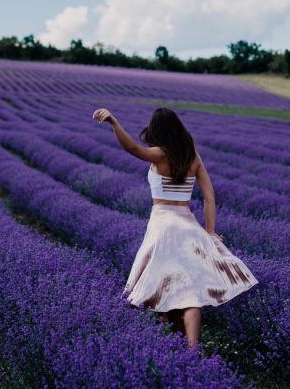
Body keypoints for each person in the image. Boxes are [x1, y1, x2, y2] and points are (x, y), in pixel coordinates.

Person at [92, 106, 259, 349]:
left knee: (162, 288)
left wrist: (114, 123)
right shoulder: (193, 157)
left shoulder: (160, 154)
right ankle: (191, 349)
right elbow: (210, 197)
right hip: (189, 226)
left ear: (158, 131)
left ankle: (175, 348)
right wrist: (210, 232)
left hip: (163, 226)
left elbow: (131, 148)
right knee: (191, 292)